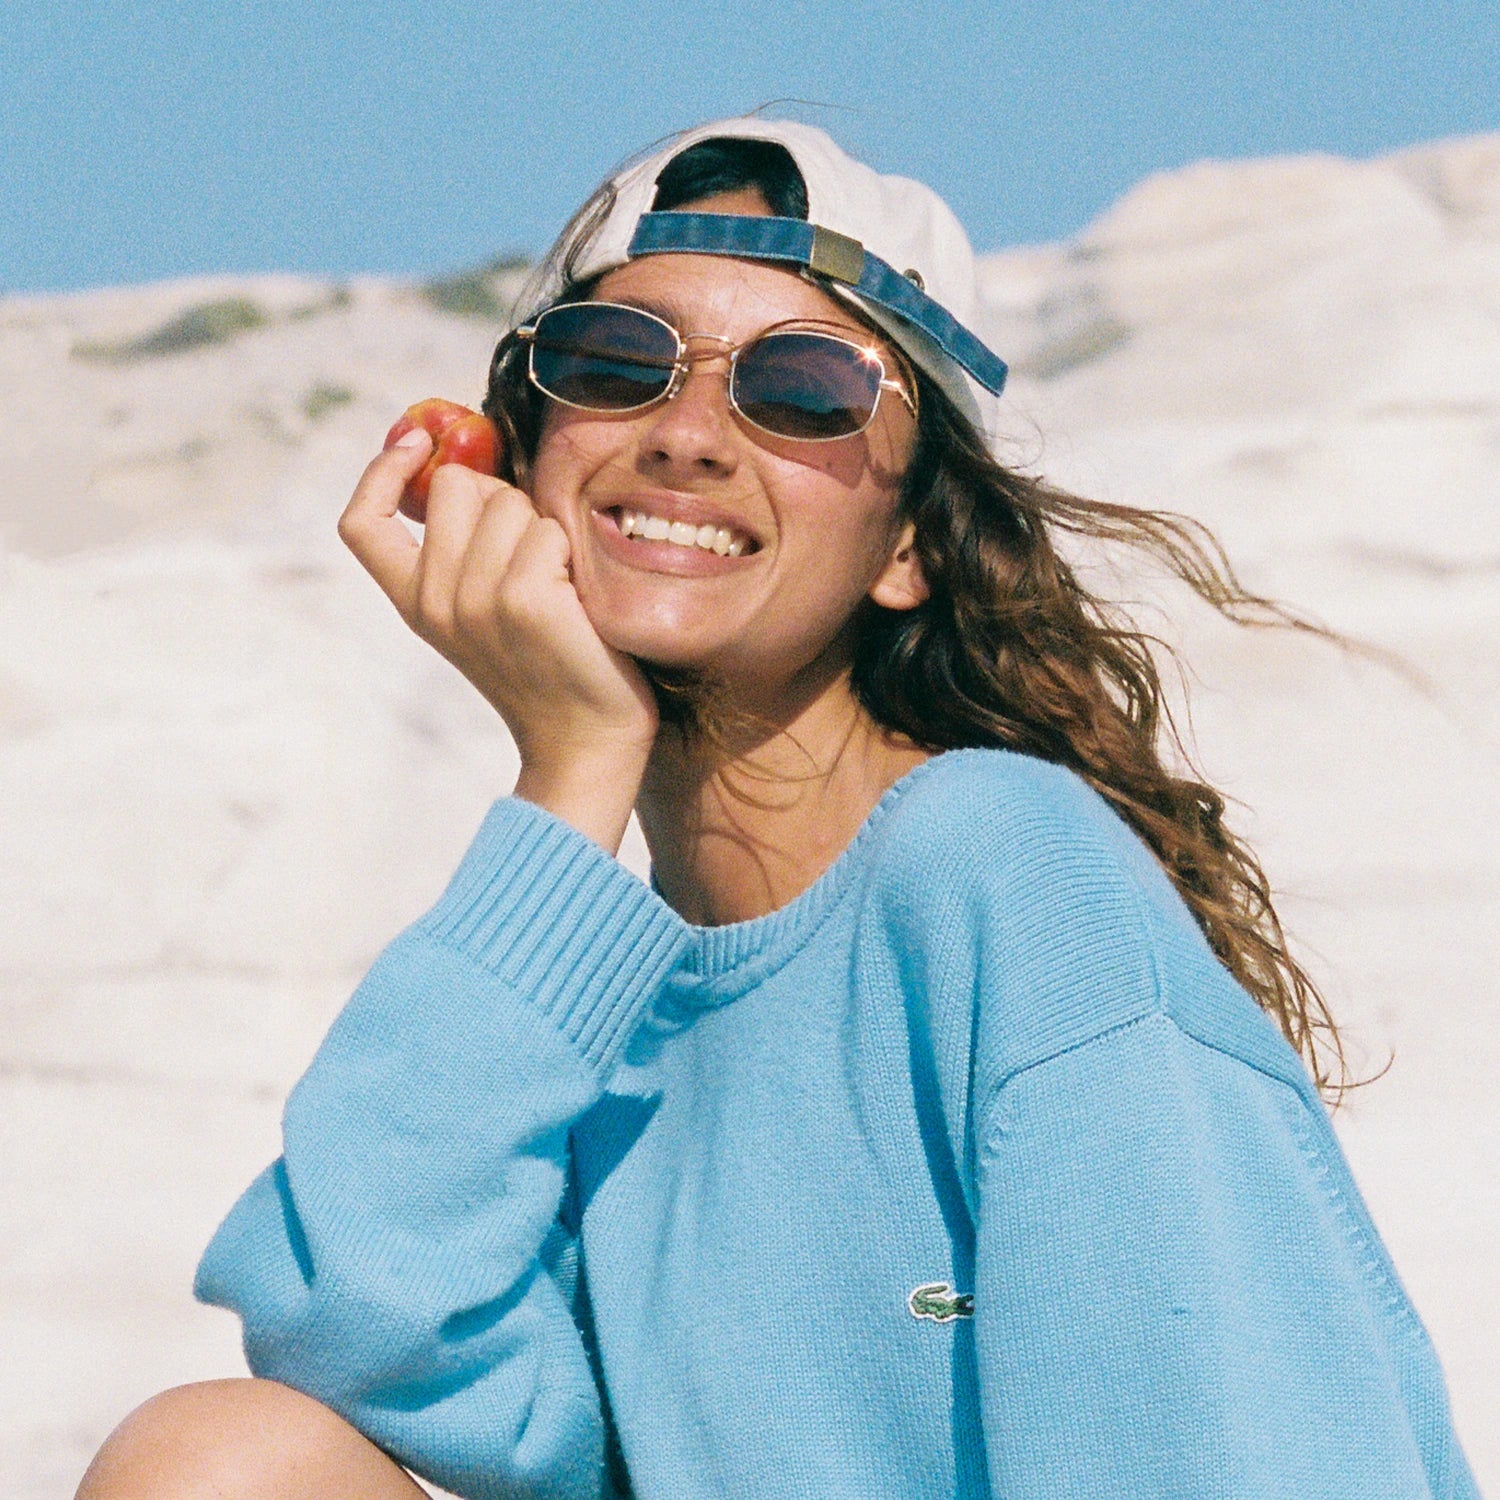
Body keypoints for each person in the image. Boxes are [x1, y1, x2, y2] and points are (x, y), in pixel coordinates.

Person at [77, 118, 1479, 1500]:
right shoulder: (587, 1009)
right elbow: (352, 1325)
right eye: (614, 363)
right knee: (217, 1466)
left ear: (911, 545)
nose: (688, 435)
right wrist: (572, 770)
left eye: (805, 388)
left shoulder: (1002, 869)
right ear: (510, 466)